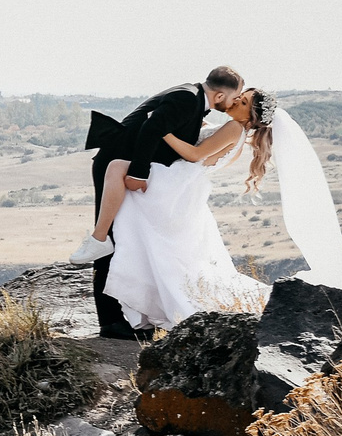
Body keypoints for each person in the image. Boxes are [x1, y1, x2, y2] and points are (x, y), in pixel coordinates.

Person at [86, 85, 342, 333]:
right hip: (182, 185)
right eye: (240, 95)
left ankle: (100, 242)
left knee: (121, 177)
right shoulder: (231, 126)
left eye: (243, 101)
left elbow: (194, 154)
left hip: (176, 184)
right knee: (167, 249)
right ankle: (123, 280)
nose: (237, 100)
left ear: (249, 115)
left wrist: (158, 129)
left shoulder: (233, 128)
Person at [73, 67, 247, 337]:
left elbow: (169, 131)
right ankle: (110, 321)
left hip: (136, 165)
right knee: (110, 237)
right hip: (119, 163)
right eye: (235, 98)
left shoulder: (192, 98)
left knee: (128, 237)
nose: (234, 103)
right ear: (221, 94)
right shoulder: (187, 98)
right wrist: (139, 173)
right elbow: (152, 129)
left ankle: (130, 316)